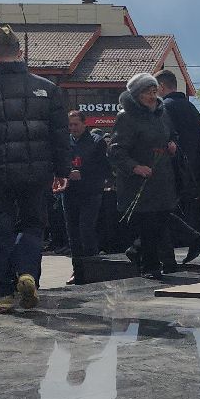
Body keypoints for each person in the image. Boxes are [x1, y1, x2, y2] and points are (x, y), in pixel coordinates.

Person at [0, 25, 71, 313]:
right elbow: (59, 135)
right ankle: (27, 272)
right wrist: (62, 171)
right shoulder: (47, 89)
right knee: (33, 225)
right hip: (37, 173)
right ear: (20, 53)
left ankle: (4, 294)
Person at [108, 75, 180, 281]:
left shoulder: (162, 113)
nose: (151, 96)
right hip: (139, 181)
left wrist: (172, 145)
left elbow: (171, 135)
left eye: (154, 91)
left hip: (162, 177)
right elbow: (116, 151)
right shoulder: (126, 117)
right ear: (136, 95)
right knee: (148, 223)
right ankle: (150, 265)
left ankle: (138, 252)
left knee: (162, 220)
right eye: (147, 92)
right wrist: (135, 167)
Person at [156, 70, 200, 267]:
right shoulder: (192, 109)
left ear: (162, 87)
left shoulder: (164, 108)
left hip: (171, 168)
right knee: (169, 212)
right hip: (190, 170)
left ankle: (193, 239)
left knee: (159, 211)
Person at [63, 109, 110, 284]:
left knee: (86, 231)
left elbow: (103, 168)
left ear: (84, 123)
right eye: (70, 125)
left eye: (76, 124)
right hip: (70, 193)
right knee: (73, 234)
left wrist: (83, 174)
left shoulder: (96, 142)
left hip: (90, 193)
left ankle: (93, 269)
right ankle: (78, 271)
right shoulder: (65, 142)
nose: (73, 128)